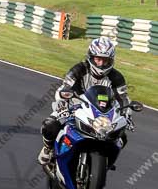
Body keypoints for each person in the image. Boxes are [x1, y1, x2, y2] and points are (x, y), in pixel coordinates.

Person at [38, 37, 133, 165]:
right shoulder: (79, 69)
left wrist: (127, 115)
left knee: (122, 137)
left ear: (111, 60)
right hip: (75, 106)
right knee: (50, 125)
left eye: (105, 60)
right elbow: (64, 88)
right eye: (98, 59)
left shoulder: (117, 77)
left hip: (102, 113)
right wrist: (63, 104)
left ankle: (105, 164)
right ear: (91, 57)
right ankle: (48, 148)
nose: (100, 64)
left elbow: (123, 99)